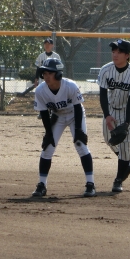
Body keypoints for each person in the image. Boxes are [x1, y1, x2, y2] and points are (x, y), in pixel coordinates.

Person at [31, 58, 96, 198]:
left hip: (74, 114)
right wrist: (48, 133)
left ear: (58, 74)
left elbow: (78, 107)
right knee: (48, 148)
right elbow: (44, 113)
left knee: (80, 145)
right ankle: (42, 185)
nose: (46, 76)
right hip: (58, 116)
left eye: (50, 73)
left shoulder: (70, 86)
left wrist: (78, 130)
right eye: (44, 73)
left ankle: (90, 184)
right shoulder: (40, 90)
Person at [96, 39, 130, 193]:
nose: (115, 54)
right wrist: (107, 115)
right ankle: (127, 163)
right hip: (111, 109)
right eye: (113, 51)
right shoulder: (105, 70)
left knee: (124, 145)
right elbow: (102, 95)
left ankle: (118, 180)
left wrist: (126, 123)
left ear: (127, 55)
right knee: (108, 139)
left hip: (127, 112)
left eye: (119, 52)